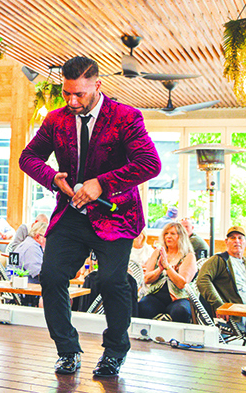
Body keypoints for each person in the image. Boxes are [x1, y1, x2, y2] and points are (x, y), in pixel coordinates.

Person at [20, 55, 161, 377]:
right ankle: (67, 350)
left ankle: (114, 351)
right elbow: (28, 157)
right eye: (66, 93)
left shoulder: (126, 117)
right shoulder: (55, 120)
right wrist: (51, 177)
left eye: (79, 94)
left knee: (112, 281)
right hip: (71, 214)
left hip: (116, 215)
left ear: (97, 85)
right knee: (51, 276)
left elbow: (150, 164)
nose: (71, 101)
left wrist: (103, 184)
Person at [138, 222, 197, 323]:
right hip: (156, 295)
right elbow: (147, 279)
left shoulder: (188, 256)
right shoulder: (158, 252)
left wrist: (167, 267)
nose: (168, 236)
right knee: (142, 307)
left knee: (180, 311)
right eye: (166, 233)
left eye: (173, 234)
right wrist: (160, 269)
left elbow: (182, 284)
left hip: (179, 298)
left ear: (181, 237)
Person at [197, 226, 246, 322]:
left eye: (240, 238)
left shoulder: (244, 262)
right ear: (226, 242)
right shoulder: (219, 260)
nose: (237, 241)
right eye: (232, 238)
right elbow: (202, 280)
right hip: (236, 315)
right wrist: (219, 305)